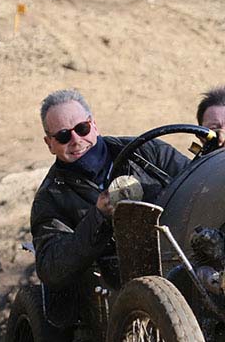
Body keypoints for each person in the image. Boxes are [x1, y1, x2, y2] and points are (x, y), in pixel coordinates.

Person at [30, 88, 188, 291]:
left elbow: (198, 182)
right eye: (63, 136)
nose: (76, 140)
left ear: (93, 125)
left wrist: (216, 154)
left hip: (181, 257)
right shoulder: (51, 197)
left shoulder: (147, 151)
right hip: (118, 288)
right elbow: (51, 268)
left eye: (82, 128)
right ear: (49, 143)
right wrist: (99, 218)